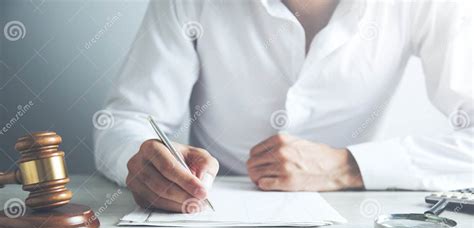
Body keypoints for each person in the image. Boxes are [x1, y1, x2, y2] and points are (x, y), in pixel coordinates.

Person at [94, 0, 473, 213]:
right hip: (210, 219)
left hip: (360, 220)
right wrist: (142, 159)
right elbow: (125, 121)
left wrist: (348, 166)